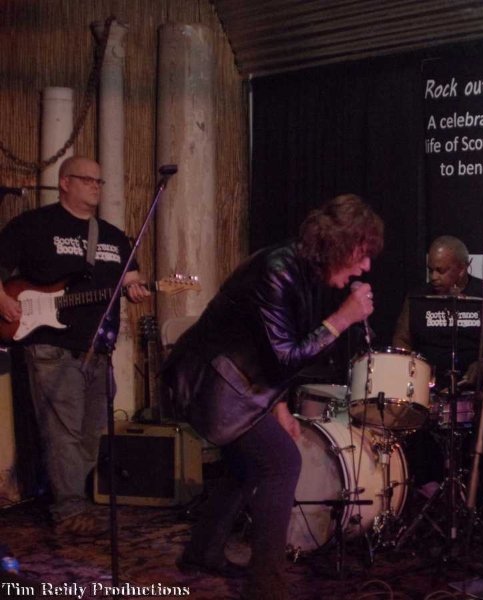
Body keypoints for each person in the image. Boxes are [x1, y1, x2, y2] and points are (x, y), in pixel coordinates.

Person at [161, 194, 382, 600]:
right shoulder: (277, 270)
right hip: (210, 383)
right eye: (361, 253)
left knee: (246, 465)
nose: (366, 266)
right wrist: (342, 319)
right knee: (281, 462)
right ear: (338, 243)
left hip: (239, 382)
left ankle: (202, 552)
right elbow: (283, 356)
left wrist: (277, 404)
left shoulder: (303, 269)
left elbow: (269, 347)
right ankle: (266, 588)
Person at [0, 156, 151, 536]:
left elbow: (132, 279)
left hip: (98, 348)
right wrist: (3, 300)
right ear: (65, 182)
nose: (96, 186)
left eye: (99, 181)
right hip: (51, 346)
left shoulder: (113, 236)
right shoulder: (34, 225)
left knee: (92, 433)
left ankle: (68, 497)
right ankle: (69, 510)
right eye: (87, 180)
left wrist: (138, 289)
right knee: (63, 432)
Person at [393, 236, 483, 488]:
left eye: (441, 270)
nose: (434, 277)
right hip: (431, 379)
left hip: (477, 375)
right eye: (430, 270)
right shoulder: (417, 297)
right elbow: (401, 339)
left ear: (462, 268)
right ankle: (424, 482)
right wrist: (416, 369)